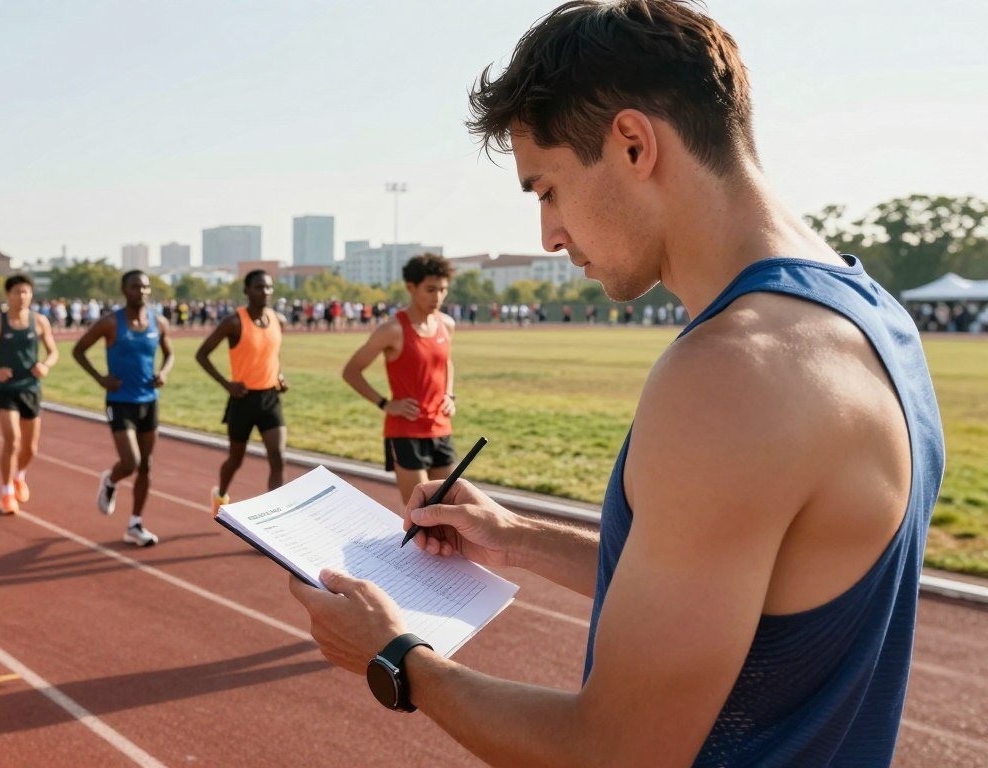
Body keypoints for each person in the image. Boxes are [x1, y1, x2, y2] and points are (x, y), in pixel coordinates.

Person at [290, 3, 945, 766]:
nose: (550, 235)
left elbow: (612, 752)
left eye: (547, 190)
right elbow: (746, 588)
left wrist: (398, 657)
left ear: (633, 143)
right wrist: (518, 539)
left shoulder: (733, 374)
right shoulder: (872, 319)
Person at [341, 253, 457, 504]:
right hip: (406, 430)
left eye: (443, 290)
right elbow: (351, 371)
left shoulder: (446, 324)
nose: (437, 297)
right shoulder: (392, 330)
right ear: (411, 288)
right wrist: (385, 404)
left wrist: (449, 394)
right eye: (430, 289)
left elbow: (446, 361)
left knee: (448, 507)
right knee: (421, 511)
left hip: (440, 427)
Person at [71, 270, 174, 547]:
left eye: (144, 287)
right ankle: (111, 479)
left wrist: (163, 372)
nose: (139, 291)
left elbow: (169, 353)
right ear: (124, 290)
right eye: (134, 287)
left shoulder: (158, 321)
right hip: (120, 402)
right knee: (131, 462)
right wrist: (100, 378)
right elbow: (78, 350)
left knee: (146, 466)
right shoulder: (110, 323)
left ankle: (135, 524)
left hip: (148, 401)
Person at [194, 270, 288, 515]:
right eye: (258, 287)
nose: (265, 292)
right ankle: (221, 493)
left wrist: (278, 375)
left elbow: (270, 354)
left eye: (268, 287)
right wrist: (227, 384)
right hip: (242, 399)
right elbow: (202, 354)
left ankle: (274, 518)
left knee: (278, 457)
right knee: (236, 460)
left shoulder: (278, 319)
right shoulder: (233, 322)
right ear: (246, 291)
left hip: (270, 398)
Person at [0, 274, 59, 514]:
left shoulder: (39, 322)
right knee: (12, 440)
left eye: (26, 292)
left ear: (31, 295)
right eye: (17, 292)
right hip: (6, 390)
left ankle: (19, 476)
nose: (22, 297)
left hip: (31, 389)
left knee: (30, 448)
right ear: (8, 295)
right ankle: (6, 492)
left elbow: (53, 352)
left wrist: (45, 365)